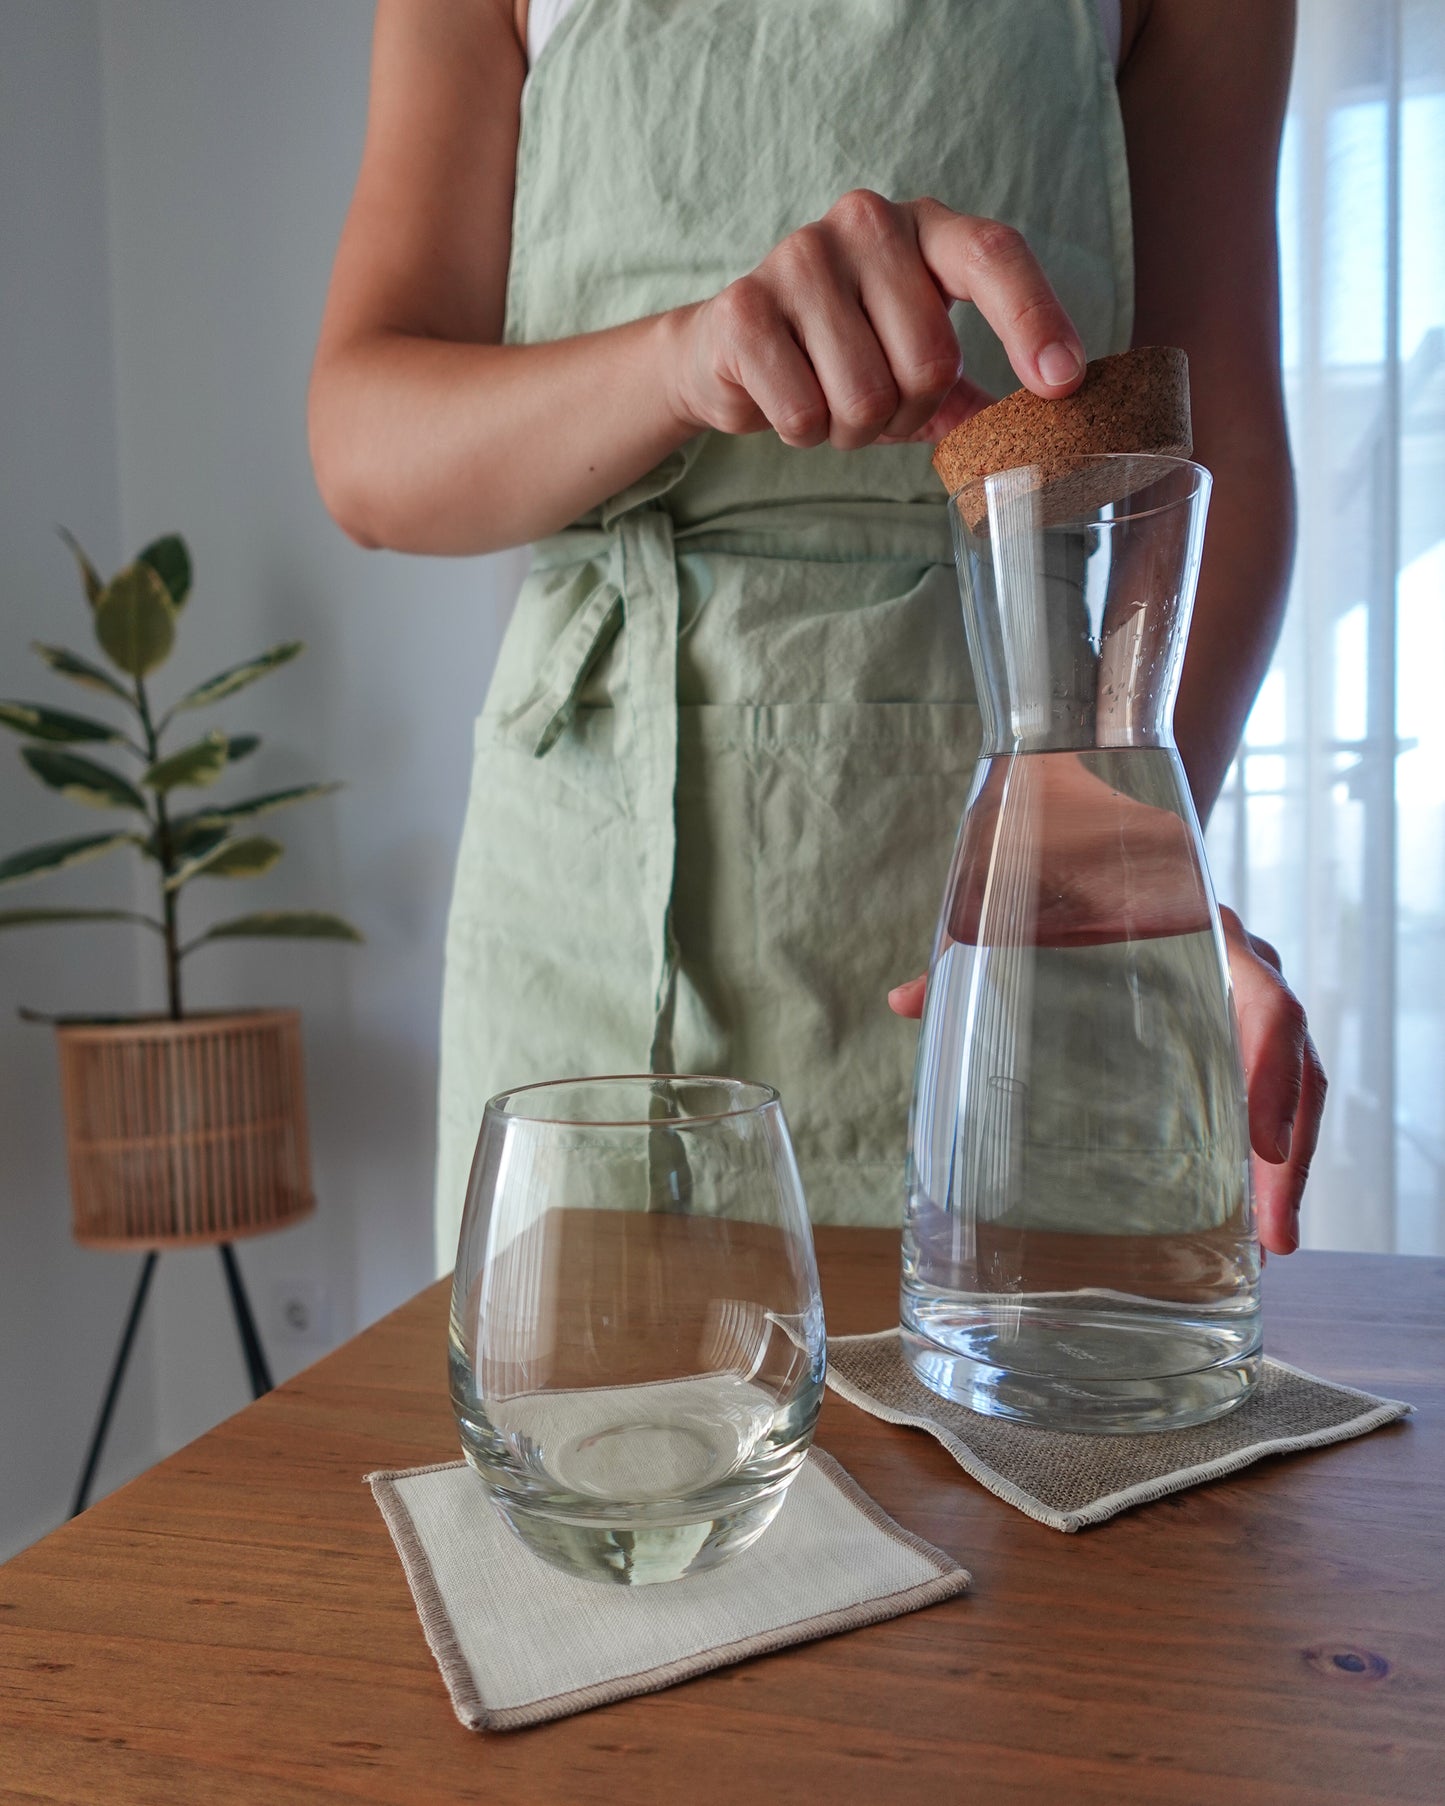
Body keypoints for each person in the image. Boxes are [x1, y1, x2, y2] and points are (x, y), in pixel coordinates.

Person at [309, 0, 1325, 1275]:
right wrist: (682, 365)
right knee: (573, 1436)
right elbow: (364, 454)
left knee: (1031, 1427)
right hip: (578, 885)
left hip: (1003, 873)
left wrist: (1123, 848)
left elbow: (1209, 444)